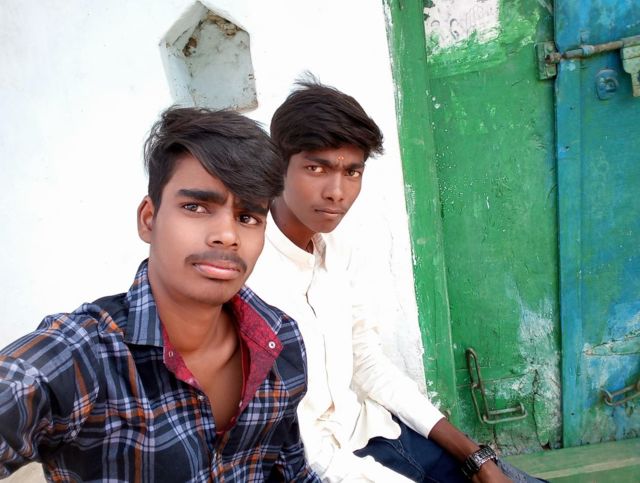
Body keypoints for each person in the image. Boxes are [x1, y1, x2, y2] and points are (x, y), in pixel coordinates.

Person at [247, 80, 545, 483]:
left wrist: (474, 455)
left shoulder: (339, 247)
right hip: (315, 467)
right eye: (316, 168)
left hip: (375, 433)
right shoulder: (246, 272)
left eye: (352, 171)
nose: (337, 192)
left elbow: (366, 361)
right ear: (277, 166)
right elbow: (296, 443)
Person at [0, 107, 319, 482]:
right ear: (148, 219)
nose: (227, 235)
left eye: (247, 217)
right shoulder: (84, 357)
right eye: (195, 207)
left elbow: (291, 472)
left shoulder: (279, 339)